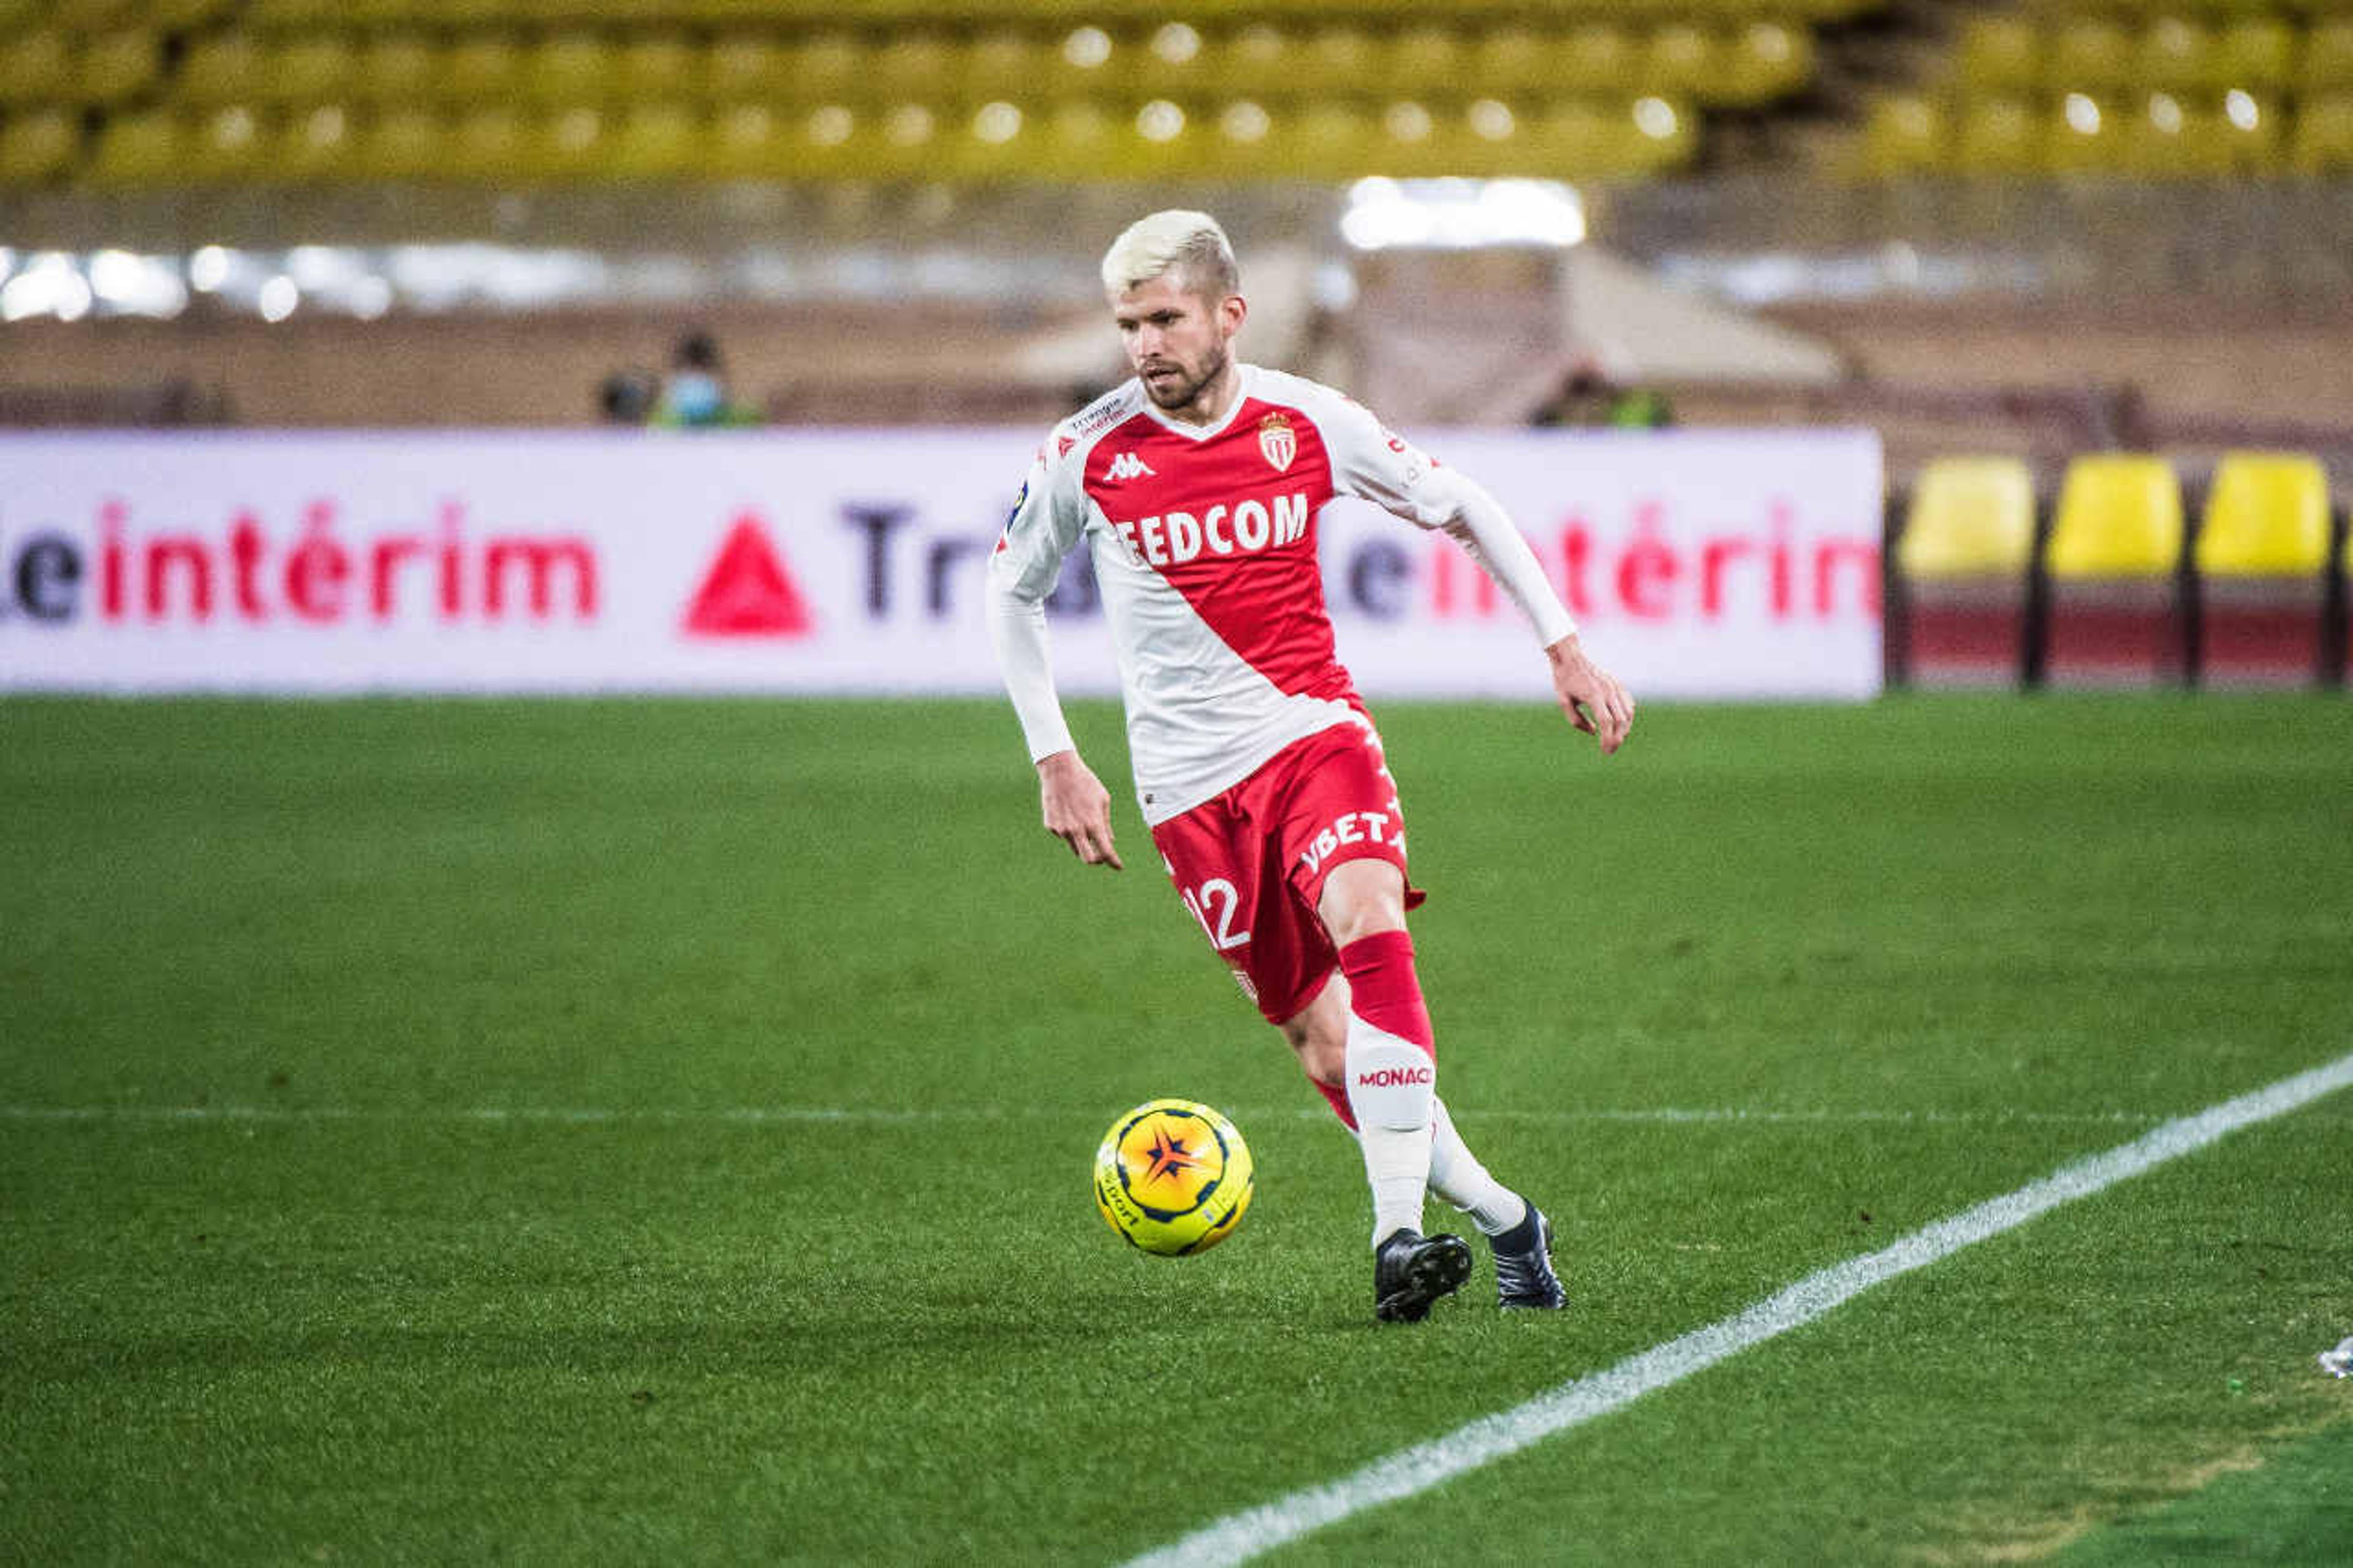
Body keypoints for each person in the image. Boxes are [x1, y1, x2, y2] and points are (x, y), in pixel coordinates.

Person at [985, 211, 1634, 1324]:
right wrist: (1056, 756)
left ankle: (1394, 1240)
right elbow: (1012, 592)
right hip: (1187, 793)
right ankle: (1509, 1220)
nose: (1145, 345)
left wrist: (1564, 644)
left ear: (1229, 315)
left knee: (1372, 918)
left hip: (1309, 734)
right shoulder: (1085, 452)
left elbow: (1462, 502)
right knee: (1327, 1046)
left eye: (1166, 319)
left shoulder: (1306, 421)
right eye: (1129, 324)